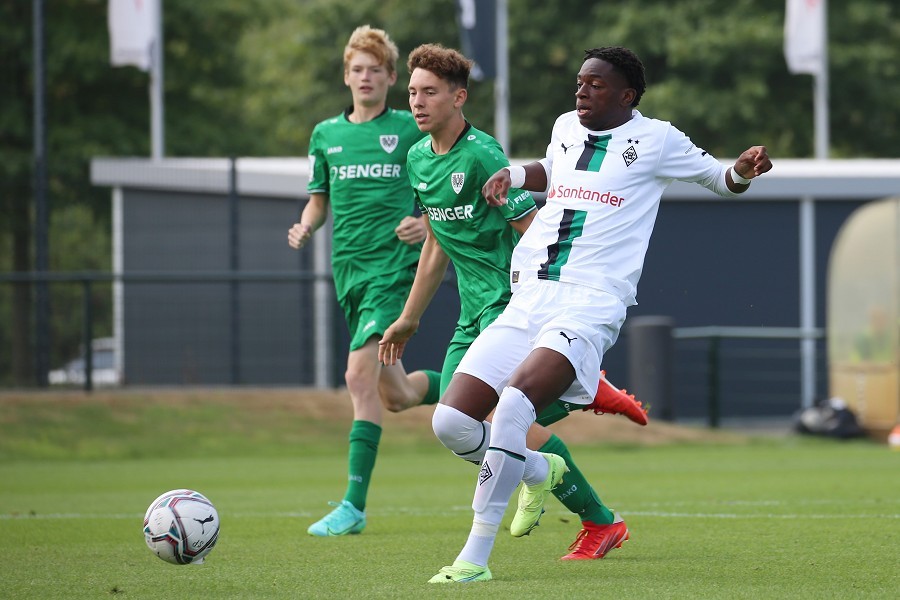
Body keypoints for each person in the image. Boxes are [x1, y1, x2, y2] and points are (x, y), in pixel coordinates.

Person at [424, 45, 773, 582]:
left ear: (627, 95)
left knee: (514, 406)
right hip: (531, 293)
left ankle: (474, 558)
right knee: (450, 423)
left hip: (590, 302)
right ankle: (539, 468)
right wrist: (513, 174)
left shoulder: (657, 139)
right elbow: (554, 170)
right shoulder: (566, 126)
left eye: (596, 84)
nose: (582, 91)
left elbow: (720, 180)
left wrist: (743, 172)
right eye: (580, 82)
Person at [377, 43, 648, 570]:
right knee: (457, 423)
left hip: (516, 304)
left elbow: (534, 226)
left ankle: (596, 517)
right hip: (472, 312)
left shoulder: (483, 155)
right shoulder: (417, 158)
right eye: (411, 92)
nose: (417, 102)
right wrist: (409, 317)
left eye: (429, 92)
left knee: (506, 420)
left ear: (459, 98)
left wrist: (563, 301)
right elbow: (436, 241)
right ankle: (561, 460)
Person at [287, 25, 443, 537]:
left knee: (357, 377)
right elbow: (318, 201)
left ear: (392, 77)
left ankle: (353, 506)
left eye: (375, 70)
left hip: (393, 270)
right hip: (349, 272)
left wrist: (425, 221)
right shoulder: (325, 135)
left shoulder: (409, 128)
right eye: (357, 69)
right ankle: (483, 385)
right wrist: (306, 225)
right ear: (346, 77)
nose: (365, 77)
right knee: (395, 394)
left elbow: (442, 182)